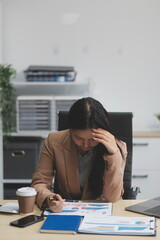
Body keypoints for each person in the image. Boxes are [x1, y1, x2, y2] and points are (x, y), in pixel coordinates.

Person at [31, 97, 127, 212]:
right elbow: (39, 183)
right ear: (70, 130)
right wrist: (49, 198)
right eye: (78, 138)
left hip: (101, 211)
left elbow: (112, 198)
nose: (86, 145)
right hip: (65, 209)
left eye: (92, 139)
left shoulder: (118, 147)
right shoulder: (54, 141)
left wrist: (113, 154)